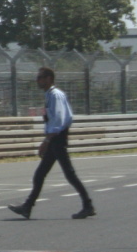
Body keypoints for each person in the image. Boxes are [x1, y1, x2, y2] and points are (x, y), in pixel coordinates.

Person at [9, 67, 96, 220]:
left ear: (49, 78)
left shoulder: (55, 95)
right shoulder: (50, 95)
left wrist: (47, 141)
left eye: (40, 77)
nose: (38, 81)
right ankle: (27, 207)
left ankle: (88, 205)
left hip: (57, 138)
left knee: (69, 174)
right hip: (54, 138)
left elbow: (59, 120)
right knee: (40, 174)